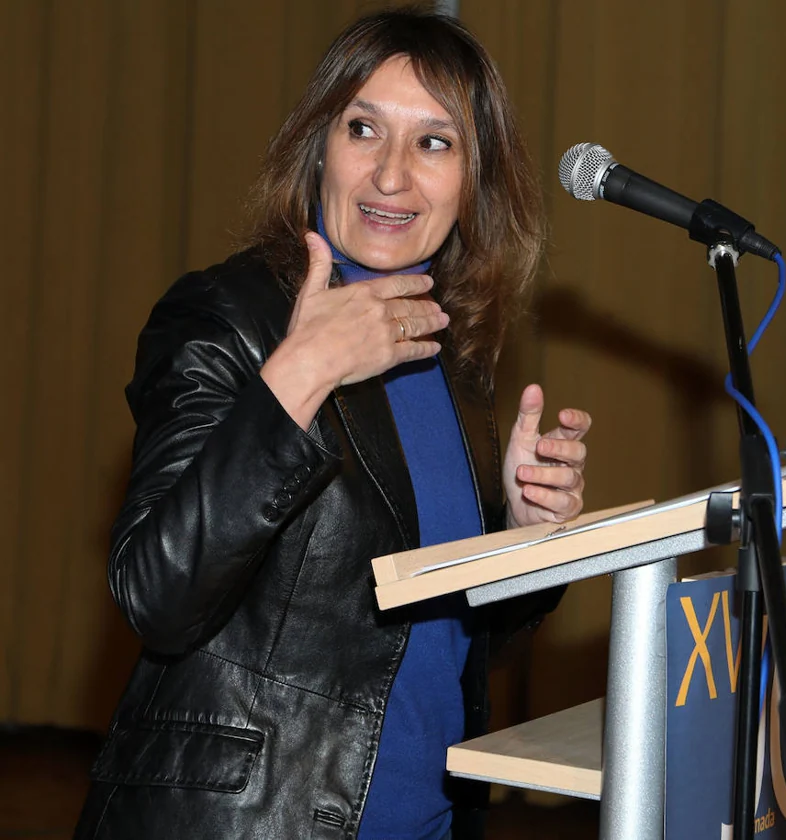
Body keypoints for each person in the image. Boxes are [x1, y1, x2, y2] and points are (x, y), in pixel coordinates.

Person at [73, 7, 589, 840]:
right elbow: (156, 594)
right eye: (363, 129)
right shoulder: (226, 315)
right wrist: (301, 370)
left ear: (474, 178)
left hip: (423, 818)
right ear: (319, 146)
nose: (391, 176)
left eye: (434, 142)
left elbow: (432, 642)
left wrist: (524, 537)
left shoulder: (452, 353)